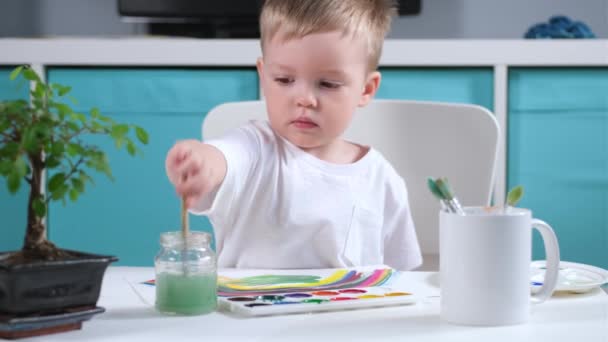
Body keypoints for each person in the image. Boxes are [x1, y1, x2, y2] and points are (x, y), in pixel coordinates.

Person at [165, 0, 422, 271]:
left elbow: (403, 275)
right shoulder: (254, 147)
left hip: (350, 313)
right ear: (264, 77)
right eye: (285, 80)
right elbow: (224, 157)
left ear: (366, 90)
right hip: (251, 312)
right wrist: (201, 162)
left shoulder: (381, 178)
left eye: (328, 84)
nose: (304, 99)